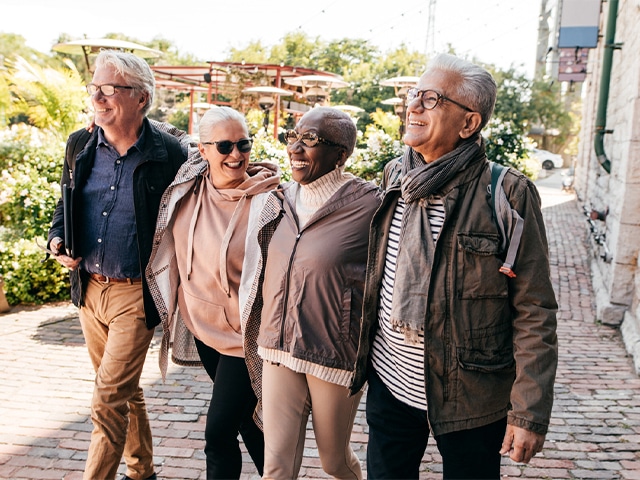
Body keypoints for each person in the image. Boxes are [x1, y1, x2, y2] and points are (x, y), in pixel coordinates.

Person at [352, 53, 559, 480]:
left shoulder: (507, 194)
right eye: (413, 95)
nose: (412, 107)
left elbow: (534, 308)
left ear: (469, 124)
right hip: (390, 385)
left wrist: (529, 411)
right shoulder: (396, 177)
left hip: (472, 397)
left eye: (431, 99)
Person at [47, 50, 187, 480]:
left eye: (110, 89)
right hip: (89, 288)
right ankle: (143, 471)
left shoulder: (171, 155)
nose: (99, 97)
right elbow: (64, 203)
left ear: (141, 98)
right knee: (123, 392)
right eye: (96, 88)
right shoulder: (81, 143)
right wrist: (56, 240)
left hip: (135, 293)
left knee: (107, 398)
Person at [240, 106, 382, 480]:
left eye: (311, 139)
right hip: (277, 346)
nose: (296, 148)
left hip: (332, 355)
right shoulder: (282, 198)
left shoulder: (370, 205)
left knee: (334, 462)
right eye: (293, 136)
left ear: (341, 154)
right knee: (276, 466)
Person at [146, 106, 280, 479]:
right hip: (203, 332)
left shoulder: (270, 201)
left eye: (243, 144)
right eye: (224, 146)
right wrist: (103, 118)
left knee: (217, 434)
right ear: (202, 150)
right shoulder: (189, 182)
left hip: (244, 341)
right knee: (249, 424)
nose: (236, 155)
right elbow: (158, 128)